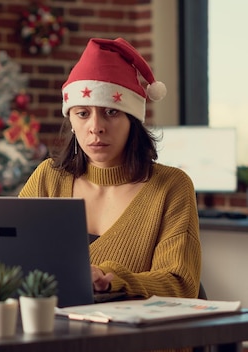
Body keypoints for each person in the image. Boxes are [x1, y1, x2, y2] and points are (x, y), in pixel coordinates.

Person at [19, 38, 201, 300]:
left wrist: (110, 280)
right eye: (83, 113)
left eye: (111, 113)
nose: (96, 127)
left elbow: (180, 284)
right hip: (56, 331)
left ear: (133, 120)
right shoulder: (48, 178)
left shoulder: (172, 187)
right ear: (71, 120)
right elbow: (12, 261)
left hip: (138, 339)